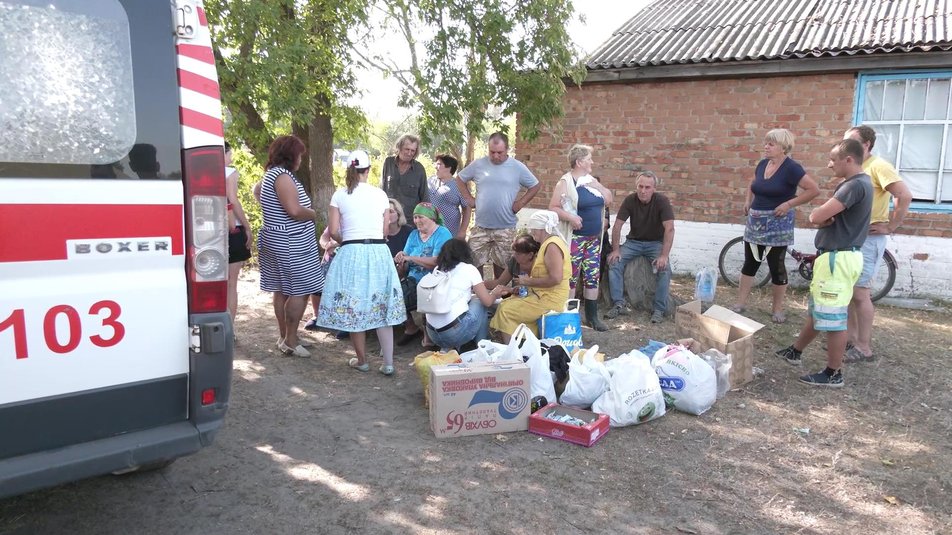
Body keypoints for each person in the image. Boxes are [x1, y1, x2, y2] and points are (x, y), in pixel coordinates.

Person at [775, 139, 872, 387]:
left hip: (838, 259)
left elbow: (816, 215)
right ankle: (795, 351)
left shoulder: (853, 186)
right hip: (839, 257)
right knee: (820, 310)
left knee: (834, 319)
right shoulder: (860, 184)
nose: (829, 165)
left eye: (833, 159)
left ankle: (833, 373)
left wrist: (818, 218)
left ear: (848, 159)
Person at [318, 149, 406, 376]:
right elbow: (385, 230)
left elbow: (334, 231)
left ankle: (362, 360)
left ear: (349, 169)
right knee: (381, 303)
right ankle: (388, 363)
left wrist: (345, 240)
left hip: (352, 251)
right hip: (378, 251)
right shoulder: (380, 195)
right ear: (368, 170)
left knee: (355, 304)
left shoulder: (339, 194)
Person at [732, 129, 820, 323]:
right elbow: (752, 183)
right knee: (750, 262)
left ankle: (777, 309)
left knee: (776, 266)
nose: (766, 146)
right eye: (766, 143)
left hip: (778, 225)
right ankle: (740, 302)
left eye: (771, 144)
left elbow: (813, 190)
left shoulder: (792, 168)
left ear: (783, 147)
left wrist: (789, 204)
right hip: (755, 222)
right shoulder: (763, 164)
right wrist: (748, 201)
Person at [842, 125, 913, 363]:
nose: (846, 145)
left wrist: (891, 226)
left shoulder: (879, 166)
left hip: (868, 239)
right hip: (851, 237)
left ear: (867, 145)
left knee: (861, 294)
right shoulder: (855, 165)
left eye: (851, 141)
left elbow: (904, 195)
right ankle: (850, 340)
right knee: (850, 292)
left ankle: (863, 347)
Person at [256, 135, 323, 357]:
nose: (301, 159)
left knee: (281, 289)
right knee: (300, 289)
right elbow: (294, 211)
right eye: (300, 155)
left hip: (276, 238)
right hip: (290, 241)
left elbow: (258, 192)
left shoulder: (270, 175)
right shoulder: (283, 176)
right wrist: (313, 214)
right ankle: (291, 341)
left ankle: (285, 336)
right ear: (290, 155)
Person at [456, 132, 542, 277]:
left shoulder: (517, 167)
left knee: (505, 266)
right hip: (481, 227)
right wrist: (469, 199)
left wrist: (520, 203)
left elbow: (535, 185)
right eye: (492, 152)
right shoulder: (478, 164)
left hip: (506, 227)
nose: (496, 156)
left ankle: (501, 294)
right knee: (473, 265)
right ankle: (480, 291)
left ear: (507, 149)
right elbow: (459, 179)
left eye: (500, 152)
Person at [548, 144, 614, 331]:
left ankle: (592, 317)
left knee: (592, 275)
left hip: (594, 239)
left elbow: (608, 199)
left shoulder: (590, 180)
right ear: (579, 162)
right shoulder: (565, 182)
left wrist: (598, 185)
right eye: (588, 159)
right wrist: (571, 217)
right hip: (575, 239)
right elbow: (553, 207)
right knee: (571, 276)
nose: (592, 162)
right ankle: (568, 315)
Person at [489, 211, 570, 343]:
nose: (532, 232)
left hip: (550, 300)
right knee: (507, 302)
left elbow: (556, 278)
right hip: (542, 296)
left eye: (534, 229)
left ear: (542, 228)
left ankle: (510, 352)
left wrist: (528, 281)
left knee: (506, 310)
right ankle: (523, 345)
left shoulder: (552, 246)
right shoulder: (548, 244)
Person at [605, 171, 675, 324]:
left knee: (664, 269)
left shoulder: (662, 201)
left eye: (647, 187)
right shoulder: (630, 200)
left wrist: (664, 255)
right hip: (634, 242)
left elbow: (669, 228)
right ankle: (619, 303)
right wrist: (616, 250)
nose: (643, 191)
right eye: (640, 186)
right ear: (636, 186)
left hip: (656, 243)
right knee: (614, 262)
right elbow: (617, 226)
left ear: (654, 189)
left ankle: (658, 309)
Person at [393, 202, 453, 346]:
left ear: (431, 218)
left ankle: (428, 334)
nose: (417, 221)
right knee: (391, 292)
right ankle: (411, 327)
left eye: (420, 217)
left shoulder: (442, 233)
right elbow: (405, 265)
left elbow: (437, 262)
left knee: (401, 296)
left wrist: (410, 258)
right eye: (414, 217)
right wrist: (401, 260)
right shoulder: (414, 235)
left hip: (436, 280)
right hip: (413, 279)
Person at [423, 239, 495, 352]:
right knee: (479, 302)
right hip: (454, 333)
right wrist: (496, 293)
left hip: (433, 334)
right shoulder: (469, 269)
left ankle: (447, 348)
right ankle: (483, 346)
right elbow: (487, 301)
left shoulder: (438, 269)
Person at [225, 142, 254, 334]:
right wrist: (247, 225)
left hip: (208, 230)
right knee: (231, 283)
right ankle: (230, 329)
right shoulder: (229, 172)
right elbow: (232, 199)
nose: (232, 158)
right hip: (231, 229)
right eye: (230, 153)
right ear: (224, 153)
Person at [381, 134, 429, 214]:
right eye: (407, 149)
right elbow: (382, 189)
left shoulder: (419, 169)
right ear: (399, 147)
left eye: (413, 150)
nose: (409, 153)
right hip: (390, 218)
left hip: (410, 221)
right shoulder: (388, 163)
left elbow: (425, 198)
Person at [428, 154, 472, 239]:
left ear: (449, 168)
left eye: (439, 164)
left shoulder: (459, 185)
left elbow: (467, 208)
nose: (435, 167)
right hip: (429, 232)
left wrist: (462, 231)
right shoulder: (430, 180)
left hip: (449, 232)